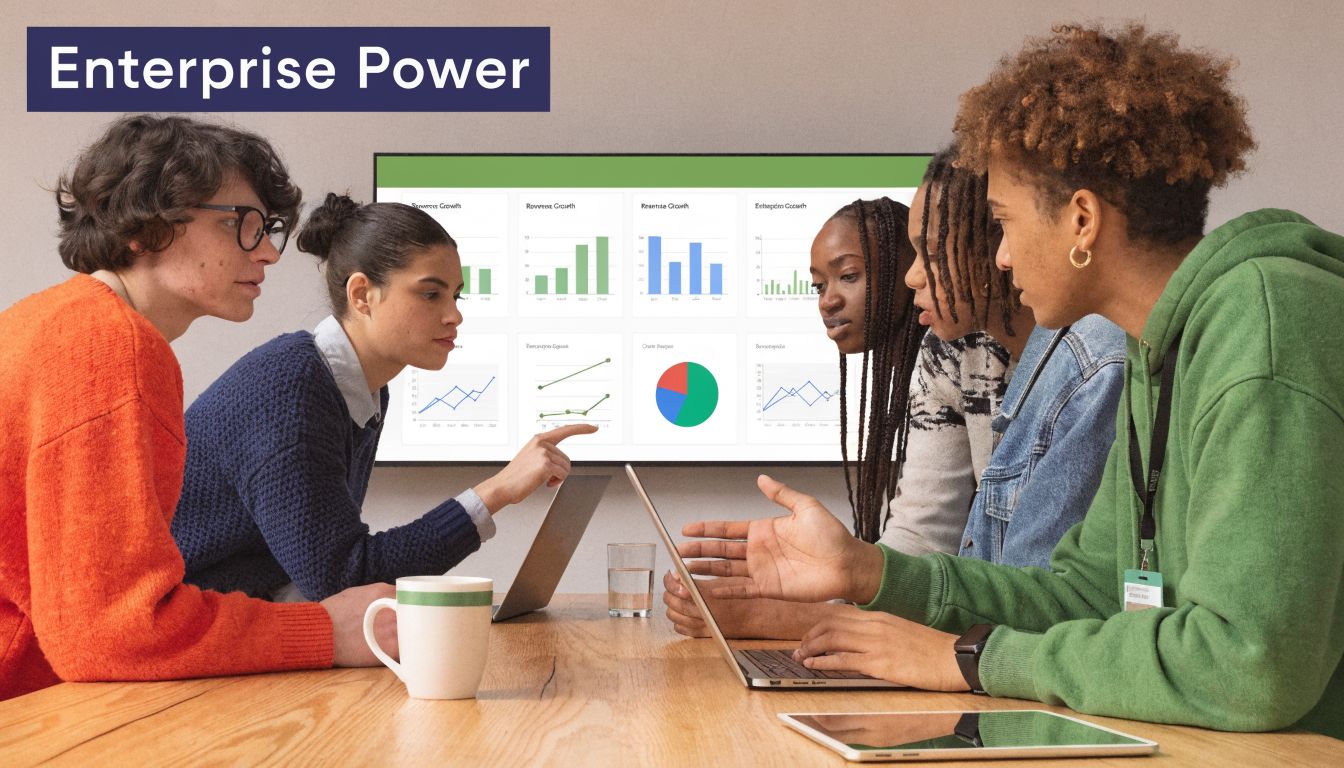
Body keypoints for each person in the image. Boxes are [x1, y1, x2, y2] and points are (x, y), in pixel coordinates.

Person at [681, 23, 1343, 738]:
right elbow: (1087, 596)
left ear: (1081, 220)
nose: (997, 257)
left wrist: (970, 660)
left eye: (1002, 222)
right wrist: (873, 573)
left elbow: (1250, 666)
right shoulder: (1161, 349)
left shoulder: (1263, 326)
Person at [0, 114, 394, 701]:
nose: (267, 252)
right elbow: (112, 633)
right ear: (146, 226)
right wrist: (327, 630)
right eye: (242, 224)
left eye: (270, 228)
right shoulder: (109, 345)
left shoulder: (49, 322)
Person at [172, 193, 595, 601]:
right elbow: (343, 576)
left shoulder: (362, 389)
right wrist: (497, 491)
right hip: (197, 639)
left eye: (455, 294)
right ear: (361, 296)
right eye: (431, 294)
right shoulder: (292, 391)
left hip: (255, 613)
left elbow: (336, 566)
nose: (455, 314)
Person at [664, 181, 1023, 639]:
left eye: (848, 276)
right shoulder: (945, 355)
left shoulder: (1063, 353)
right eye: (819, 285)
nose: (827, 300)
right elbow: (919, 540)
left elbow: (1029, 584)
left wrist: (786, 619)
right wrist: (807, 596)